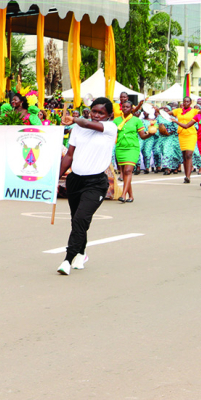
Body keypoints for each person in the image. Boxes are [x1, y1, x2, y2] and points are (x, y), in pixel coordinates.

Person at [57, 97, 118, 275]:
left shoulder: (110, 128)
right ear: (89, 111)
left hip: (96, 183)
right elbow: (69, 155)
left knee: (80, 219)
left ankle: (67, 260)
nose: (97, 115)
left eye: (101, 113)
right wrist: (55, 178)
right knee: (76, 219)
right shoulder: (78, 129)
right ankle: (82, 253)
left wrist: (74, 119)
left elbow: (87, 124)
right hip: (75, 180)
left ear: (109, 115)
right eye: (94, 111)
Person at [114, 101, 151, 203]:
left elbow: (143, 136)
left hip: (132, 148)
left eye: (127, 107)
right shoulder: (116, 121)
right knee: (125, 173)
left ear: (131, 109)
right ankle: (131, 196)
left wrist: (150, 134)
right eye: (124, 107)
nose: (125, 108)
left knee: (127, 171)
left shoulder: (136, 121)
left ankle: (123, 194)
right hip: (120, 148)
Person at [174, 97, 200, 183]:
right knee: (184, 156)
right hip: (182, 134)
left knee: (189, 154)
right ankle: (186, 175)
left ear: (191, 103)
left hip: (191, 134)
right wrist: (158, 111)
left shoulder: (194, 111)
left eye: (188, 101)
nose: (186, 103)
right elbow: (166, 113)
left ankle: (188, 176)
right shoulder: (178, 111)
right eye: (184, 101)